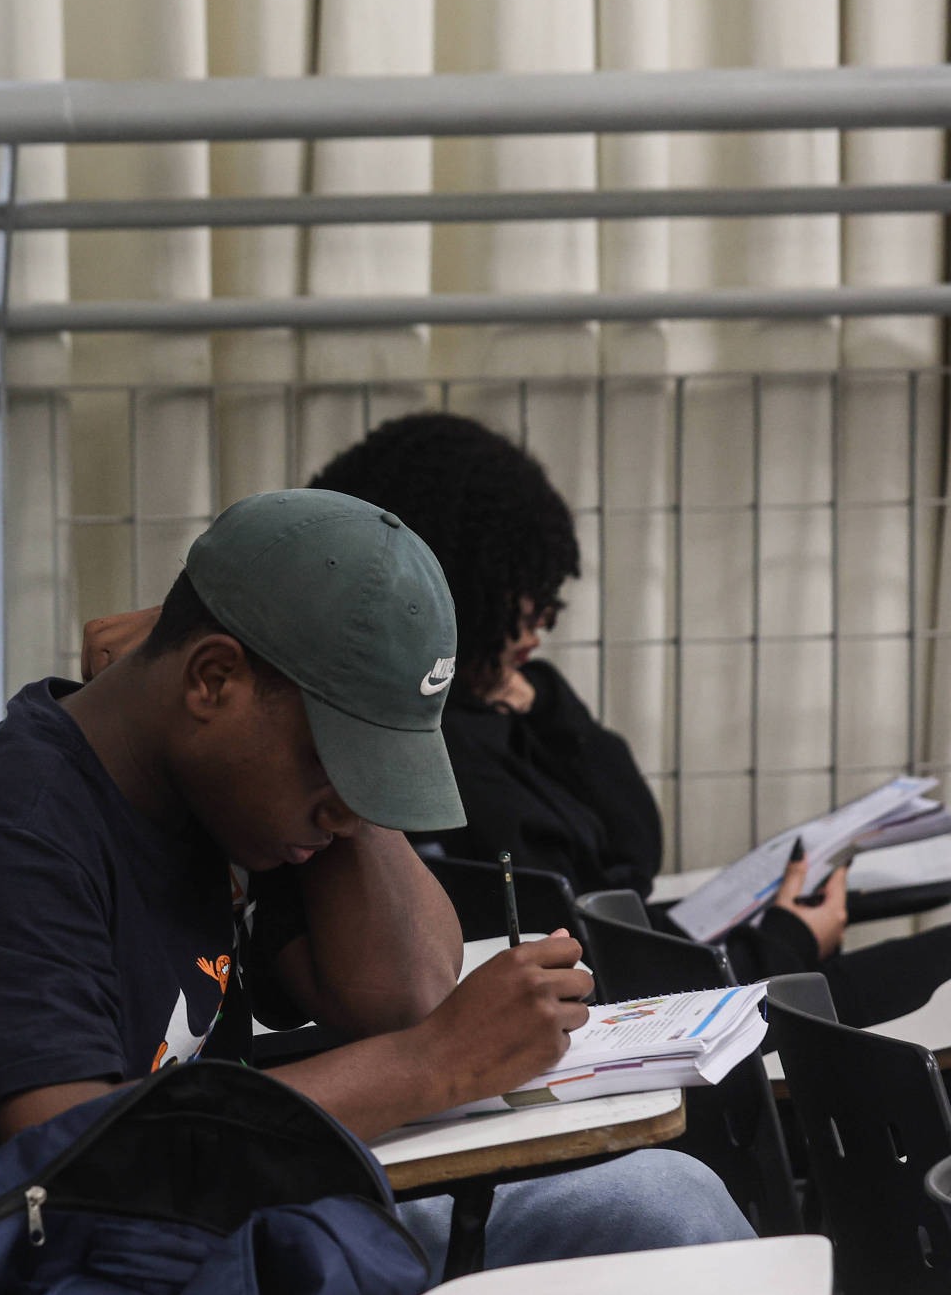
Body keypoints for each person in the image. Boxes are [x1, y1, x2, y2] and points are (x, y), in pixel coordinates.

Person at [0, 487, 778, 1295]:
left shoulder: (202, 786)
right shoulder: (4, 827)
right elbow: (78, 1162)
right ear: (212, 678)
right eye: (334, 766)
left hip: (245, 1247)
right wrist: (432, 1065)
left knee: (671, 1204)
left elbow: (405, 990)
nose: (347, 807)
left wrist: (351, 775)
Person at [298, 410, 951, 1029]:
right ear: (454, 588)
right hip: (659, 1021)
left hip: (679, 986)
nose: (543, 618)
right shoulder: (440, 754)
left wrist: (543, 705)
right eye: (521, 593)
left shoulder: (515, 702)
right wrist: (783, 944)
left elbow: (634, 847)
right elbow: (587, 950)